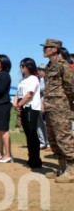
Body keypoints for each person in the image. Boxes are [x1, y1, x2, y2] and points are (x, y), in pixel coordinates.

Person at [41, 39, 74, 183]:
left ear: (55, 49)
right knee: (53, 139)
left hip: (60, 107)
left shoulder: (63, 65)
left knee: (64, 138)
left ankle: (72, 170)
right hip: (50, 106)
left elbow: (71, 86)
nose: (44, 50)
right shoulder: (50, 66)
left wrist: (65, 102)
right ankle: (62, 168)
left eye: (46, 47)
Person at [14, 58, 43, 169]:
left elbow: (29, 94)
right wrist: (15, 102)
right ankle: (31, 157)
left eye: (23, 66)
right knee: (27, 133)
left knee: (32, 134)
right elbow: (18, 93)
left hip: (31, 108)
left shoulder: (33, 79)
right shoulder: (23, 80)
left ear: (29, 67)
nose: (21, 68)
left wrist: (19, 104)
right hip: (23, 107)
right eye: (21, 66)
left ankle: (36, 160)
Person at [36, 63, 50, 150]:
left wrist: (43, 104)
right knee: (39, 123)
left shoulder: (48, 80)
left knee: (46, 123)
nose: (39, 72)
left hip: (45, 102)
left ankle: (48, 142)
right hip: (38, 102)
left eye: (41, 70)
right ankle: (42, 142)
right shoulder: (38, 79)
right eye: (39, 70)